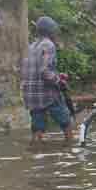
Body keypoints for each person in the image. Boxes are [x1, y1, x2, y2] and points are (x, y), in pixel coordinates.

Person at [21, 16, 72, 146]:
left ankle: (36, 154)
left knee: (37, 129)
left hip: (31, 95)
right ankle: (71, 147)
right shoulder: (49, 45)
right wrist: (59, 81)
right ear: (51, 31)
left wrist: (55, 75)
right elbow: (44, 72)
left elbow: (34, 70)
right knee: (66, 122)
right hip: (47, 94)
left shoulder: (31, 46)